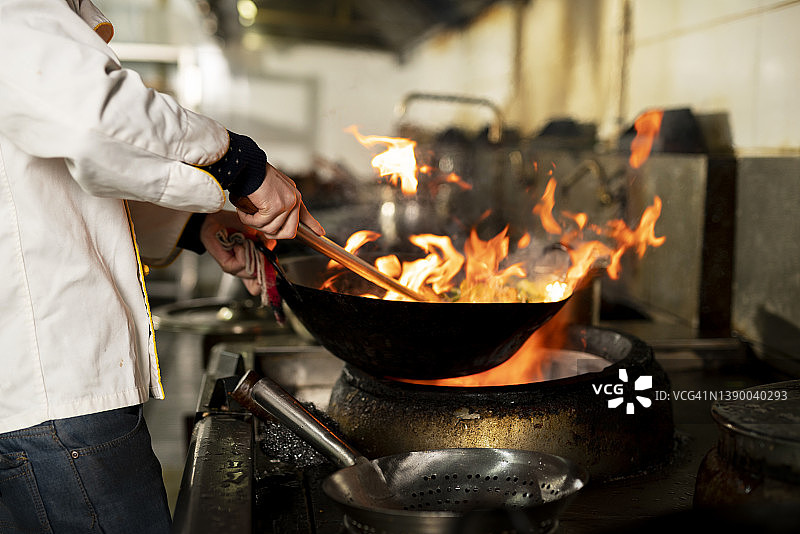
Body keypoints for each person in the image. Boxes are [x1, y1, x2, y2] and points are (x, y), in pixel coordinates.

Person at [0, 0, 324, 532]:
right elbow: (92, 117)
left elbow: (41, 172)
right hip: (54, 394)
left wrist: (196, 226)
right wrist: (236, 162)